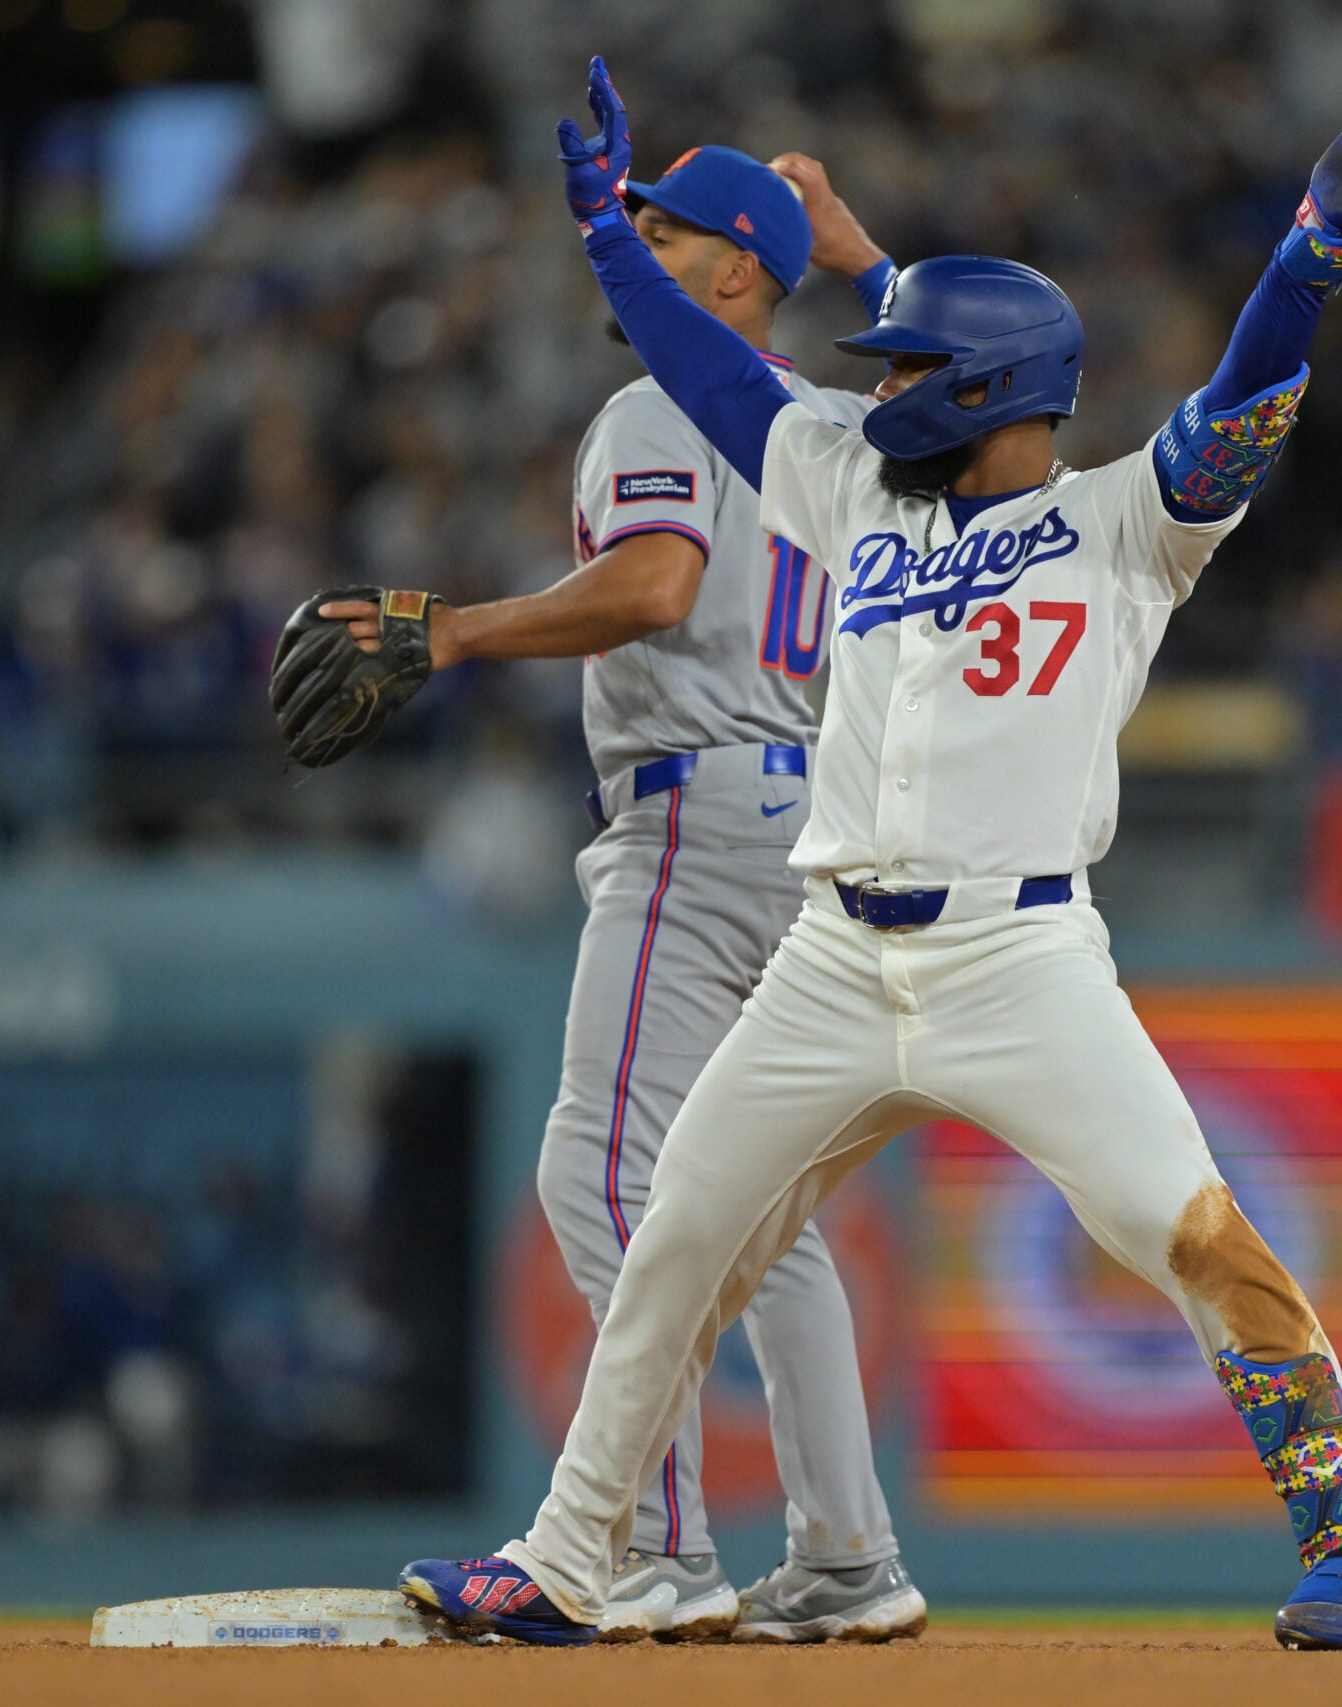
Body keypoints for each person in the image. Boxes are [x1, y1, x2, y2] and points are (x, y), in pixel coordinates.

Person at [400, 58, 1342, 1650]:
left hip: (1018, 960)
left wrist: (1306, 262)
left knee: (1190, 1231)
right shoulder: (850, 493)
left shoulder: (1127, 526)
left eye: (904, 369)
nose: (871, 385)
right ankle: (569, 1559)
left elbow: (1240, 400)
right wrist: (612, 236)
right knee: (680, 1230)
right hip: (832, 954)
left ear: (978, 391)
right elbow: (712, 367)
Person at [326, 143, 925, 1641]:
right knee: (765, 1220)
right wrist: (862, 260)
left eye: (663, 231)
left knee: (598, 1179)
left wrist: (452, 633)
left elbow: (656, 586)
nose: (629, 247)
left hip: (702, 815)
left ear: (736, 272)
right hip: (816, 826)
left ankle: (648, 1550)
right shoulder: (842, 425)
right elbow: (979, 386)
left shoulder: (662, 404)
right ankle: (850, 1557)